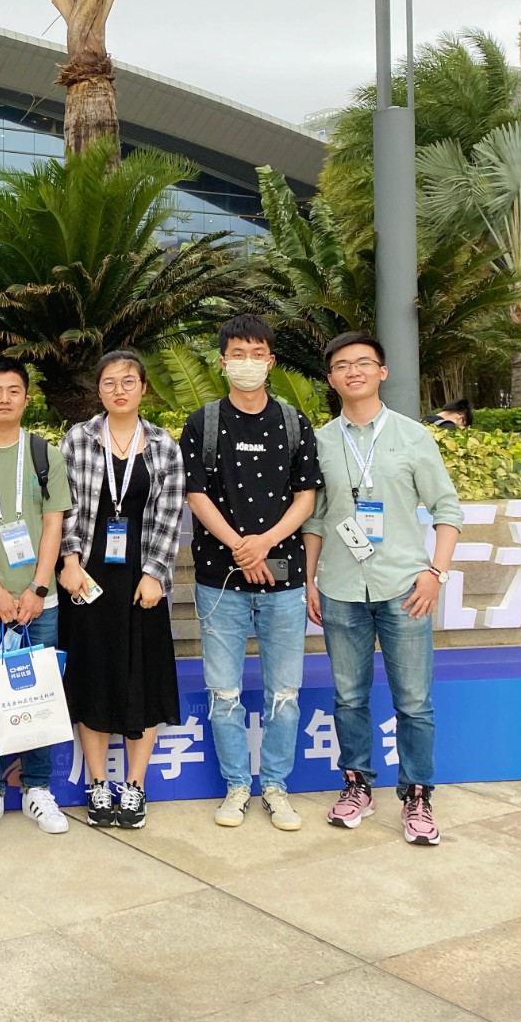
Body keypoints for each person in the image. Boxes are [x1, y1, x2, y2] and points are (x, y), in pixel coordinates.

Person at [302, 332, 462, 846]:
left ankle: (417, 796)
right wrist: (310, 580)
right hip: (340, 589)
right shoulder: (320, 441)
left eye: (363, 363)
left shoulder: (413, 436)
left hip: (404, 588)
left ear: (382, 372)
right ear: (331, 379)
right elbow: (316, 518)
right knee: (349, 698)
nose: (353, 371)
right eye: (342, 365)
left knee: (414, 702)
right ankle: (357, 786)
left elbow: (447, 510)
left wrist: (435, 573)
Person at [181, 316, 321, 832]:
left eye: (256, 353)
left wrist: (262, 542)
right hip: (220, 580)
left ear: (271, 361)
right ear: (223, 362)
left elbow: (306, 496)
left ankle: (276, 787)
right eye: (237, 354)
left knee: (286, 692)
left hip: (284, 579)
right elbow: (196, 494)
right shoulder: (202, 423)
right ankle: (237, 785)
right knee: (223, 692)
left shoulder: (294, 422)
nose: (247, 362)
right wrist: (240, 547)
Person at [58, 350, 185, 831]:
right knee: (92, 676)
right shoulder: (79, 438)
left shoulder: (163, 446)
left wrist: (155, 573)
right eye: (109, 382)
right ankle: (97, 783)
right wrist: (69, 560)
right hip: (87, 579)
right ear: (99, 390)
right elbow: (66, 505)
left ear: (144, 388)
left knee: (143, 678)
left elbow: (170, 514)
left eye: (128, 381)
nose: (119, 390)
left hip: (141, 578)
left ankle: (134, 785)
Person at [0, 356, 74, 838]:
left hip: (38, 602)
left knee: (41, 693)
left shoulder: (45, 454)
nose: (4, 399)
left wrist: (38, 587)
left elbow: (53, 524)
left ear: (27, 398)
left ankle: (37, 788)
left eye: (13, 391)